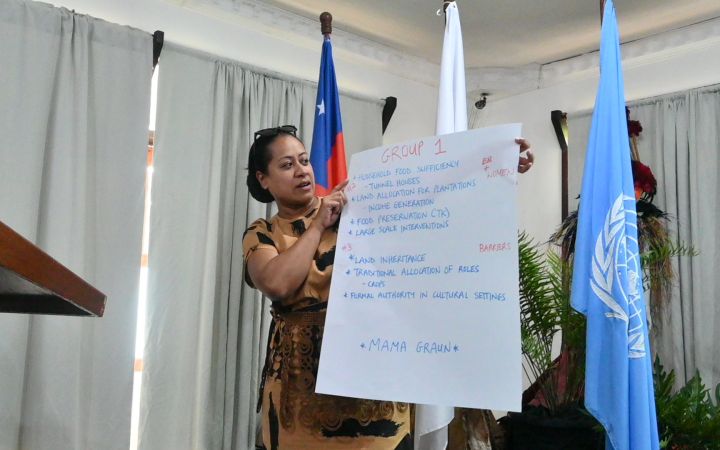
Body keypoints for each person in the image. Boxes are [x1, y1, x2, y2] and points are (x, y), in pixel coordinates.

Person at [242, 125, 534, 449]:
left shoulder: (355, 206)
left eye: (304, 160)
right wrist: (317, 226)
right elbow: (277, 283)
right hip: (298, 402)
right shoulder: (263, 232)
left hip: (374, 392)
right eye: (287, 165)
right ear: (263, 179)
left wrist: (495, 169)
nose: (302, 171)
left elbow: (436, 206)